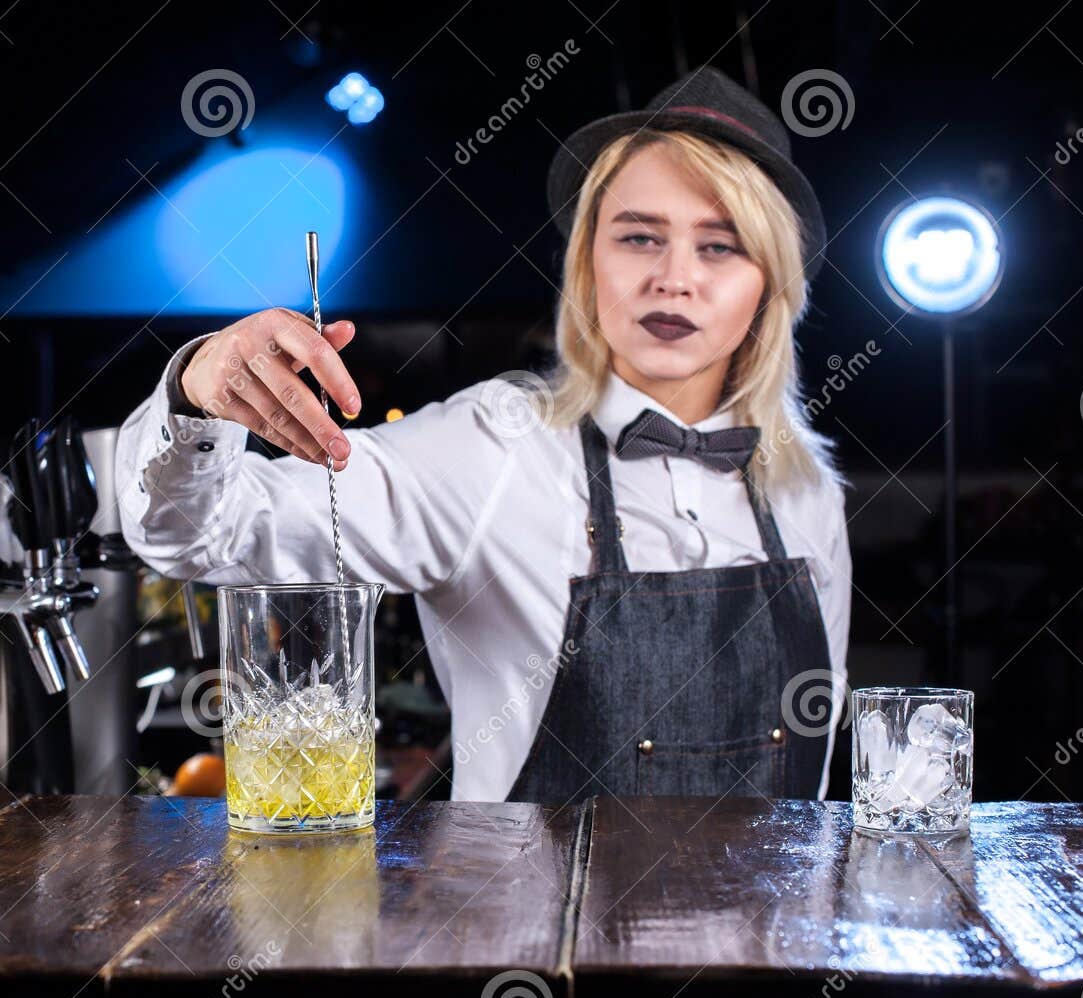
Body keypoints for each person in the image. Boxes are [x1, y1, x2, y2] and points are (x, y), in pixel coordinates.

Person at [116, 66, 851, 804]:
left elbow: (809, 784)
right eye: (638, 237)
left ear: (771, 283)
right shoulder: (490, 448)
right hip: (530, 921)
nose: (674, 277)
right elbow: (198, 538)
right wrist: (196, 393)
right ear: (589, 264)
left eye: (720, 246)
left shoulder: (806, 490)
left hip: (776, 921)